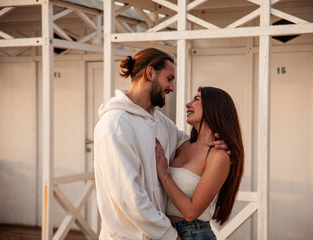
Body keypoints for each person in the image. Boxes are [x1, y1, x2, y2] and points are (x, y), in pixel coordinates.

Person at [94, 48, 227, 240]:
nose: (172, 88)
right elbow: (128, 196)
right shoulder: (115, 124)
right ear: (150, 73)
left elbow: (191, 147)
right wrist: (170, 235)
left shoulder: (161, 123)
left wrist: (220, 145)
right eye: (169, 78)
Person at [155, 86, 244, 240]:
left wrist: (164, 174)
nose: (187, 104)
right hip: (165, 231)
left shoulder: (219, 156)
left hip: (193, 233)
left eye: (196, 100)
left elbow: (190, 213)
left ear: (214, 107)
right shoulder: (182, 145)